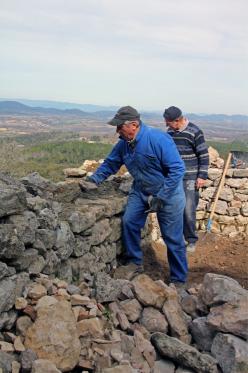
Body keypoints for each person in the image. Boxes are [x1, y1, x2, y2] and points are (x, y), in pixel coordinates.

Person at [84, 105, 188, 285]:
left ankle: (179, 280)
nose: (117, 130)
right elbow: (111, 163)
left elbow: (178, 169)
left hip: (168, 194)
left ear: (134, 125)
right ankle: (135, 262)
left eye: (119, 126)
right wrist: (94, 180)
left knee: (172, 238)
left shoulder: (158, 139)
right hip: (141, 190)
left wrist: (162, 197)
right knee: (130, 221)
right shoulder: (124, 144)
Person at [163, 106, 209, 252]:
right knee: (173, 209)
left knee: (188, 210)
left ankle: (191, 240)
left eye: (168, 122)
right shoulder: (170, 132)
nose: (166, 125)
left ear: (177, 120)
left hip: (190, 177)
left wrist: (201, 176)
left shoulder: (195, 131)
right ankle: (176, 239)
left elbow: (204, 155)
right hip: (173, 177)